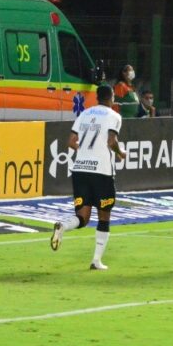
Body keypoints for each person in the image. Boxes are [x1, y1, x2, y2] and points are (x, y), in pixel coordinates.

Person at [50, 84, 127, 270]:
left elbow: (71, 142)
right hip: (101, 172)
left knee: (82, 217)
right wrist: (120, 152)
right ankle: (96, 261)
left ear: (97, 97)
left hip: (80, 169)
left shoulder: (84, 114)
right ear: (112, 98)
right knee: (104, 216)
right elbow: (111, 140)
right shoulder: (114, 116)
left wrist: (85, 151)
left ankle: (63, 226)